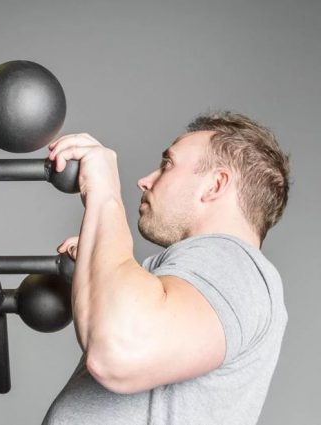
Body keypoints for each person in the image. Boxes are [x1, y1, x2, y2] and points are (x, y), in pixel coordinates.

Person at [42, 111, 290, 425]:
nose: (145, 181)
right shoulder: (207, 274)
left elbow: (118, 351)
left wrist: (104, 193)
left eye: (167, 164)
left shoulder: (233, 263)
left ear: (215, 185)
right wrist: (101, 263)